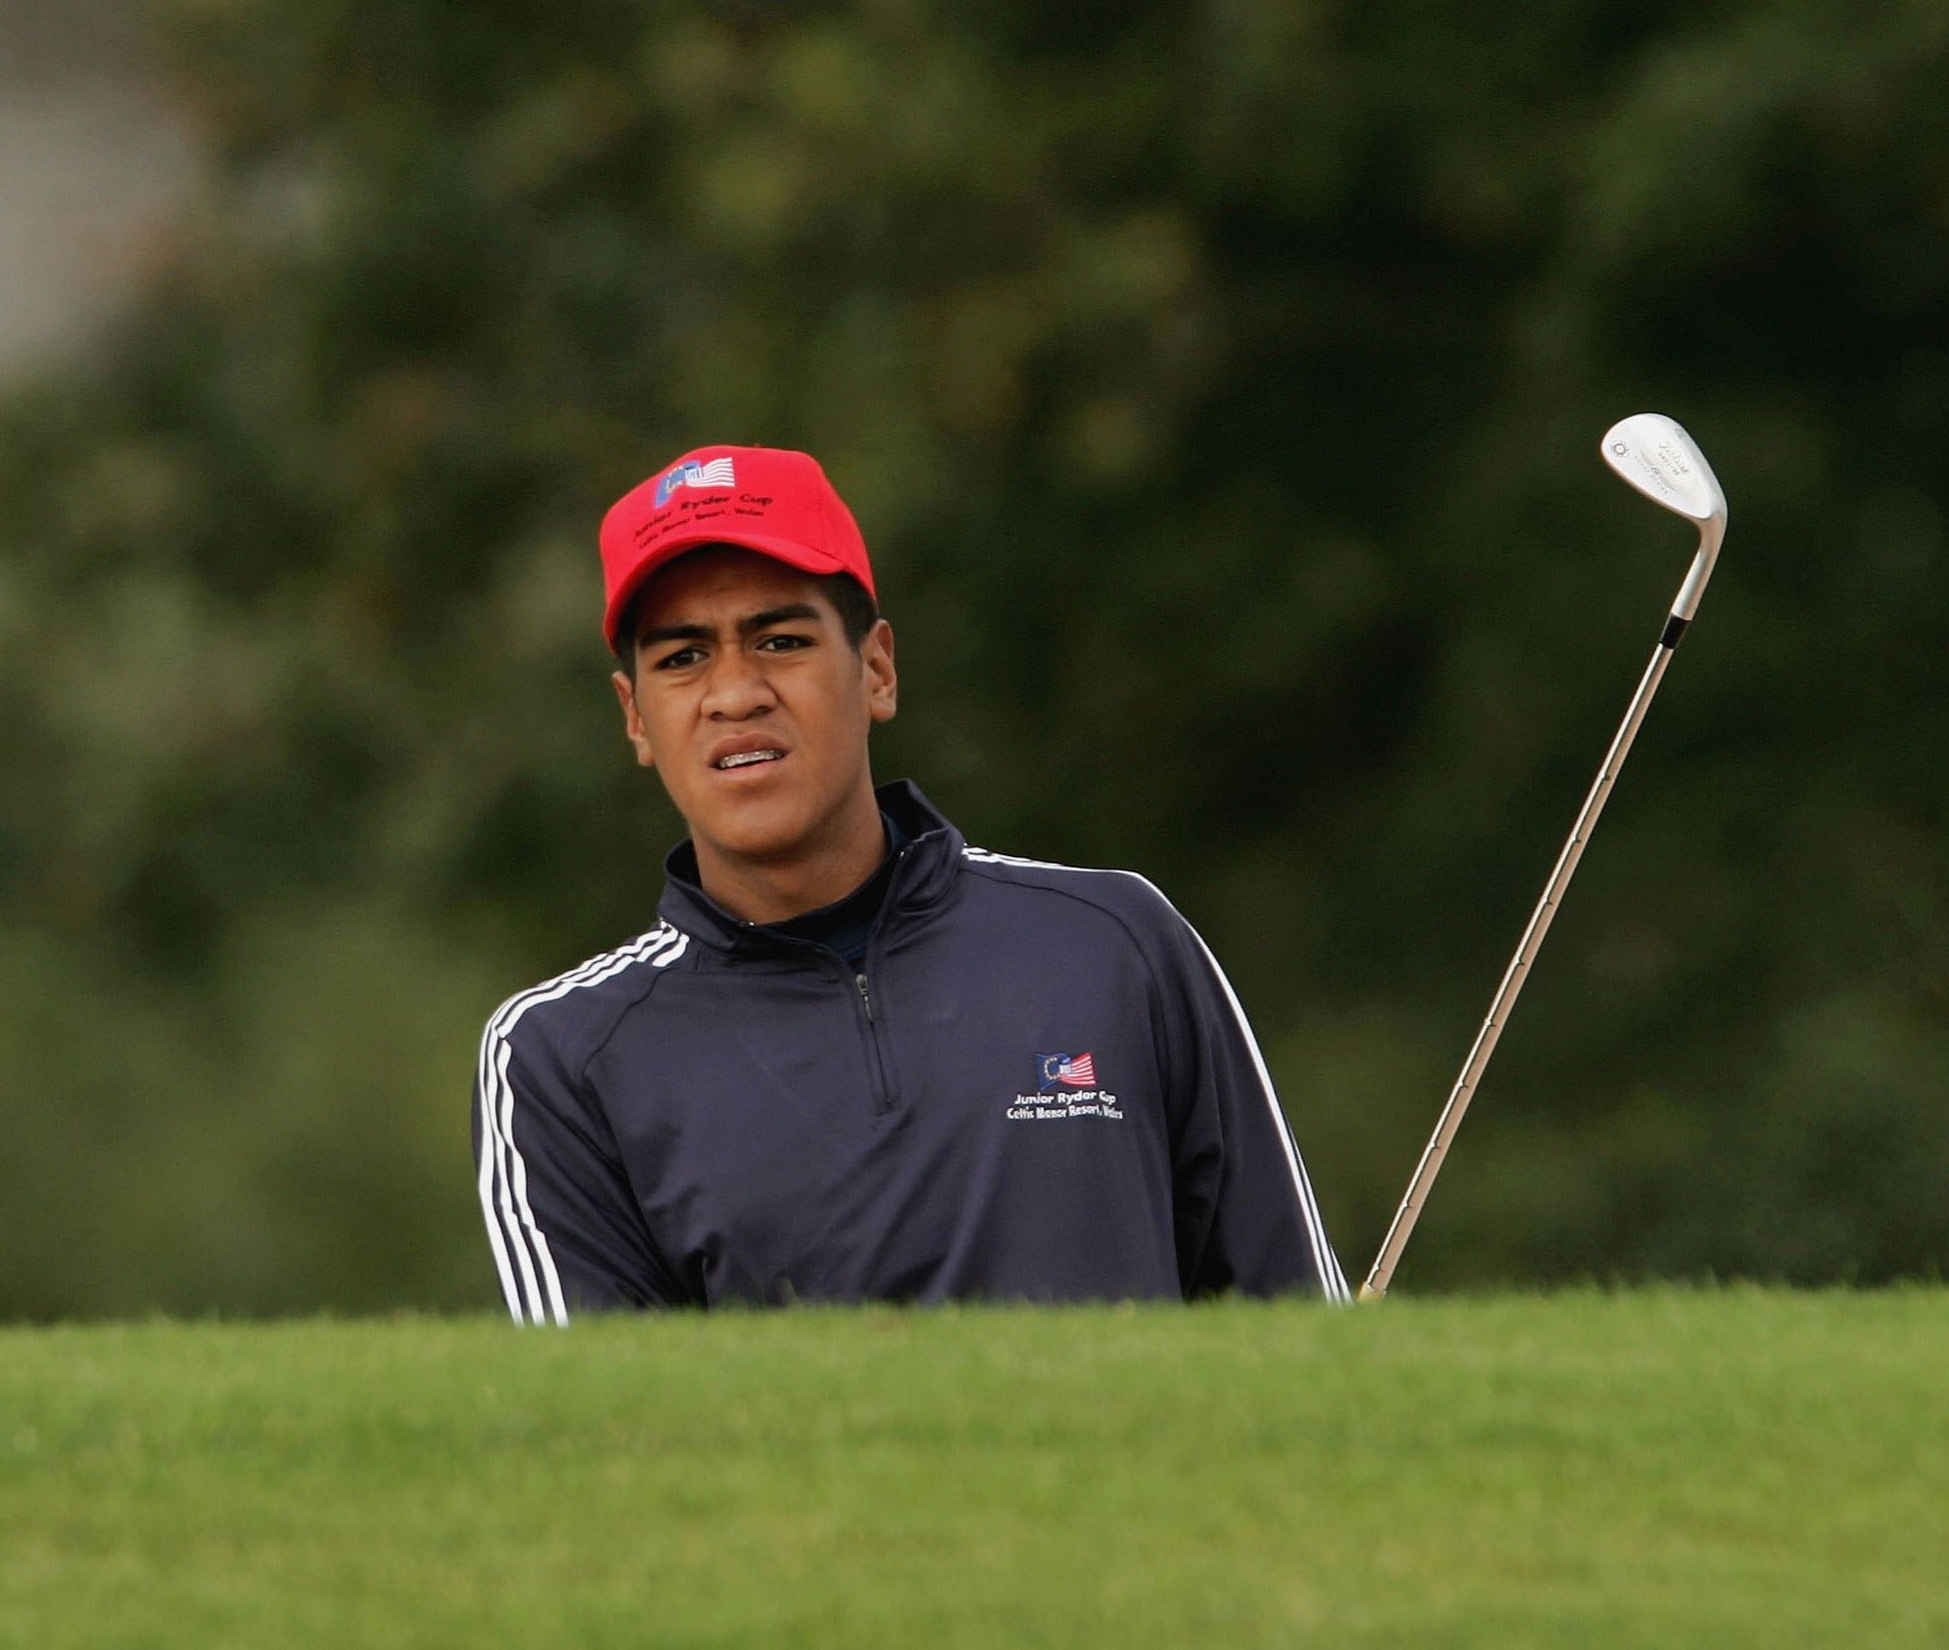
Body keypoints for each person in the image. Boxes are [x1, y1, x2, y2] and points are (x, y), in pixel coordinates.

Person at [472, 445, 1349, 1322]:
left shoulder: (1115, 939)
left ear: (877, 670)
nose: (734, 693)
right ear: (634, 716)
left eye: (781, 640)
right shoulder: (559, 1060)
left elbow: (1301, 1339)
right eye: (682, 658)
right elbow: (613, 1446)